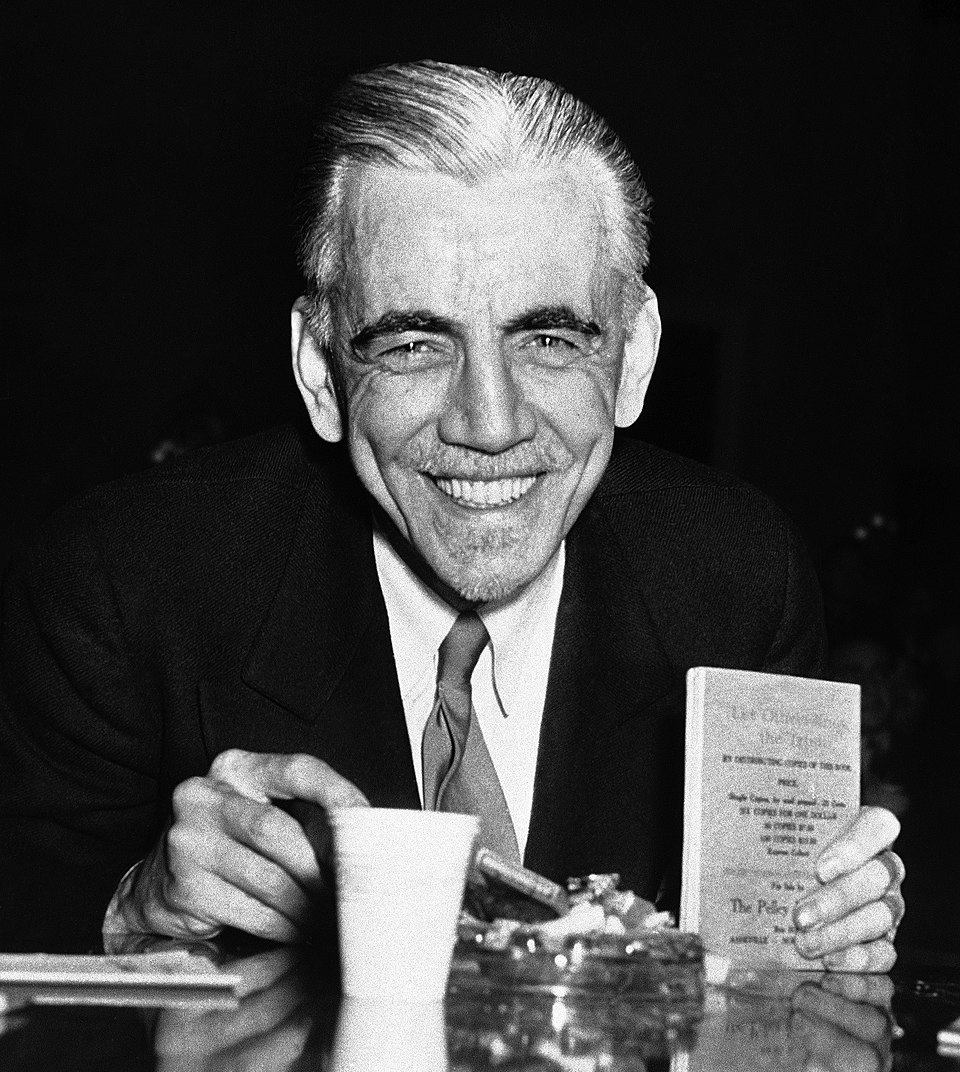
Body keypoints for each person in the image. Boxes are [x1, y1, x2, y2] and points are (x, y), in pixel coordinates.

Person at [0, 61, 904, 966]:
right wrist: (131, 901)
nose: (489, 425)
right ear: (320, 372)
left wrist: (829, 940)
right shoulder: (124, 577)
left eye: (549, 339)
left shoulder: (739, 582)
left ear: (633, 360)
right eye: (413, 343)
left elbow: (754, 982)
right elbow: (29, 898)